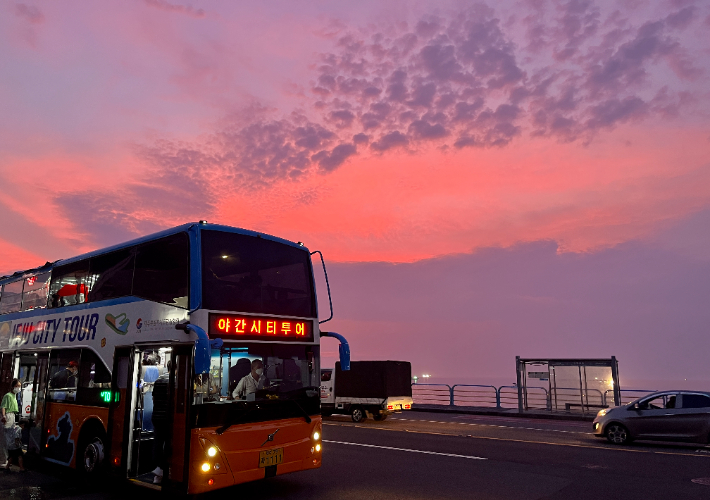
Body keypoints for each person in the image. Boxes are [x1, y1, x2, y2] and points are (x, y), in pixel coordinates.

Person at [151, 360, 170, 484]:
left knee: (157, 443)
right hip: (167, 418)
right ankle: (162, 469)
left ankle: (156, 470)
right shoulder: (173, 381)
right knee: (169, 444)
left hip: (156, 416)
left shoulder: (159, 380)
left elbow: (154, 398)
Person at [1, 379, 21, 471]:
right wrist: (4, 416)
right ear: (13, 386)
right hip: (8, 416)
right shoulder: (8, 396)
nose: (19, 388)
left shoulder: (14, 395)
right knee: (6, 440)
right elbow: (3, 407)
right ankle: (4, 461)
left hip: (12, 416)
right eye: (17, 386)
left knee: (9, 439)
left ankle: (8, 460)